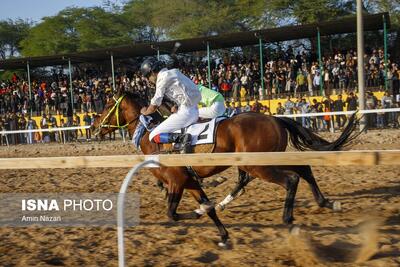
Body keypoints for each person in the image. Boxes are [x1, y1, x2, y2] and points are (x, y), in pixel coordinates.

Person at [140, 58, 201, 153]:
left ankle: (182, 139)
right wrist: (177, 105)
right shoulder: (175, 72)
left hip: (186, 113)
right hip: (195, 110)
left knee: (153, 135)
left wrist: (145, 112)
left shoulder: (162, 79)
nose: (149, 80)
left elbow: (154, 105)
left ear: (152, 72)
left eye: (148, 77)